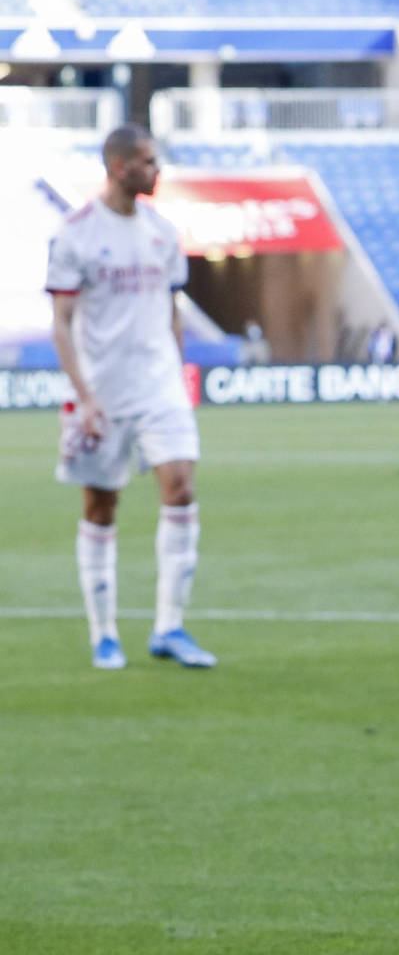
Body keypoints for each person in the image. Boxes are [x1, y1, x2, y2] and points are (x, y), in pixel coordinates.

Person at [46, 124, 215, 671]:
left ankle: (169, 626)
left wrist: (178, 369)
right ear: (119, 167)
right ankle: (104, 633)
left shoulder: (163, 232)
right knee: (101, 504)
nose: (156, 169)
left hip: (160, 385)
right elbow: (63, 323)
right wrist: (84, 397)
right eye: (147, 161)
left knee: (181, 487)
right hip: (102, 392)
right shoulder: (75, 234)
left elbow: (171, 310)